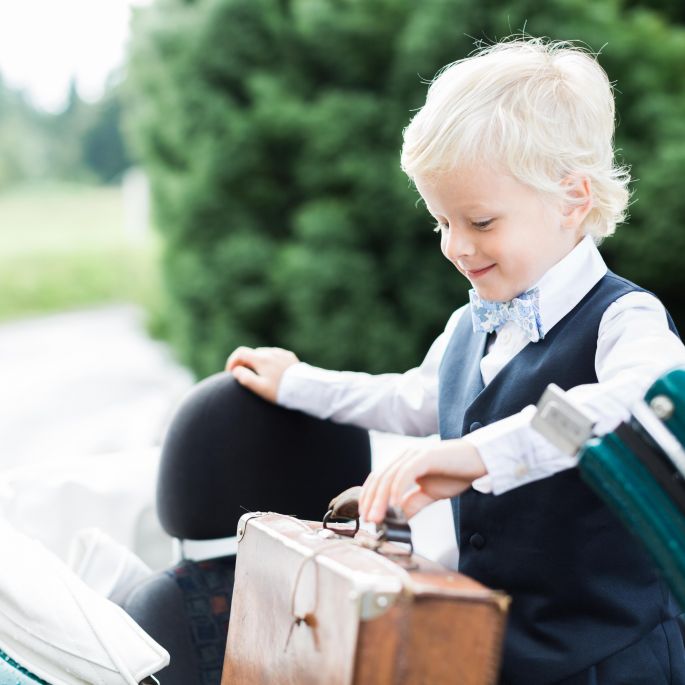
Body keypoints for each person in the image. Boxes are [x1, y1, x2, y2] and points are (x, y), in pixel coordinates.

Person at [225, 37, 685, 684]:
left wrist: (474, 456)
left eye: (479, 220)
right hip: (497, 648)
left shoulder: (623, 320)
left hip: (610, 658)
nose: (455, 246)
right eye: (440, 221)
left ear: (572, 199)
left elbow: (624, 409)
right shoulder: (469, 323)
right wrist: (300, 382)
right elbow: (418, 400)